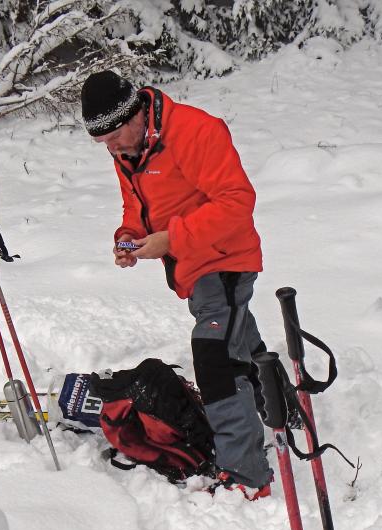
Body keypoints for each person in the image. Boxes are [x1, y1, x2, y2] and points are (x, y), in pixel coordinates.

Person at [80, 70, 272, 499]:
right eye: (101, 142)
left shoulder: (195, 131)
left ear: (134, 115)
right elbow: (139, 208)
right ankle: (280, 404)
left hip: (225, 258)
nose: (109, 147)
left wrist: (173, 239)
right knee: (238, 339)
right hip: (190, 265)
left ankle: (247, 477)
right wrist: (126, 238)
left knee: (216, 359)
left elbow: (237, 202)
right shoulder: (129, 149)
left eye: (112, 136)